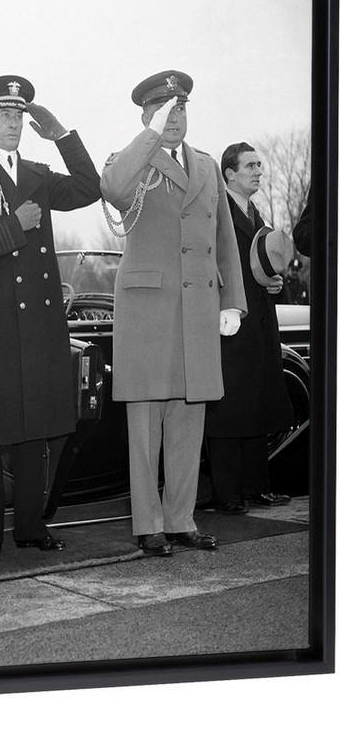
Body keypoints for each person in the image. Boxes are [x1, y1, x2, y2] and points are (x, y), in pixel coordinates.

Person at [100, 70, 246, 557]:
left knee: (188, 422)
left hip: (197, 309)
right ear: (147, 116)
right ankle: (149, 524)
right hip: (149, 312)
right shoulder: (130, 160)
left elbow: (224, 237)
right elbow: (113, 189)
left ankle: (182, 519)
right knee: (145, 427)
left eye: (180, 108)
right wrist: (150, 135)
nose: (174, 118)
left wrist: (233, 301)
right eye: (164, 110)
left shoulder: (206, 165)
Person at [0, 76, 101, 558]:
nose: (13, 123)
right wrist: (13, 227)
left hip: (39, 322)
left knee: (35, 425)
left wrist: (62, 136)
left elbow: (89, 187)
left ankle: (31, 527)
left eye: (19, 115)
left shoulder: (38, 173)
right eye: (4, 114)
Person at [204, 142, 293, 513]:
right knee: (229, 410)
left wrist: (276, 283)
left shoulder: (255, 212)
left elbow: (261, 266)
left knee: (258, 403)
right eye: (250, 166)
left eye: (259, 165)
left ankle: (256, 488)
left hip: (260, 322)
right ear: (229, 174)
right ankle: (227, 495)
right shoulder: (216, 210)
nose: (259, 171)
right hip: (230, 323)